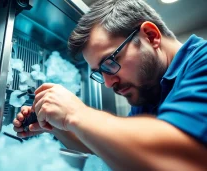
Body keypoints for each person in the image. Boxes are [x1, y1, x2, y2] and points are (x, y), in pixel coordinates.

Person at [13, 0, 207, 170]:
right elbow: (116, 149)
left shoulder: (202, 61)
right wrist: (56, 125)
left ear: (150, 35)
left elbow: (186, 158)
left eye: (109, 62)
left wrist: (76, 113)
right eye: (99, 73)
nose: (107, 83)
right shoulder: (148, 90)